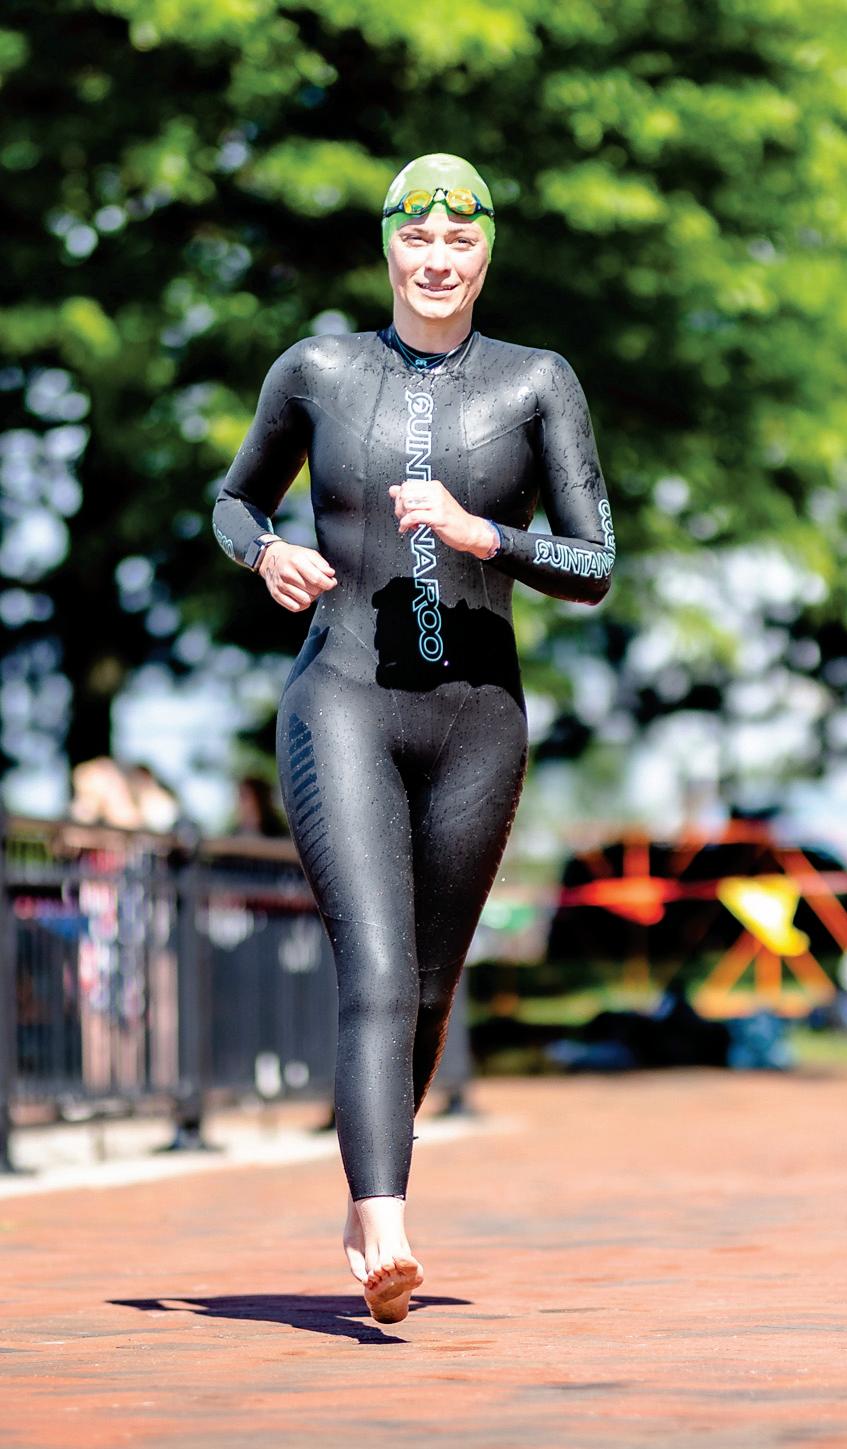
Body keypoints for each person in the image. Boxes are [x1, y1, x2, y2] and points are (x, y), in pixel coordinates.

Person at [211, 153, 614, 1323]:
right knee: (378, 969)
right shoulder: (318, 369)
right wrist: (264, 552)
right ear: (388, 245)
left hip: (477, 720)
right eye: (418, 239)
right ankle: (384, 1224)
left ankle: (373, 1181)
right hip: (341, 699)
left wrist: (485, 537)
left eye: (460, 242)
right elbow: (235, 497)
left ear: (485, 254)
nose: (437, 261)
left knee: (431, 986)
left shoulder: (536, 382)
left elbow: (594, 562)